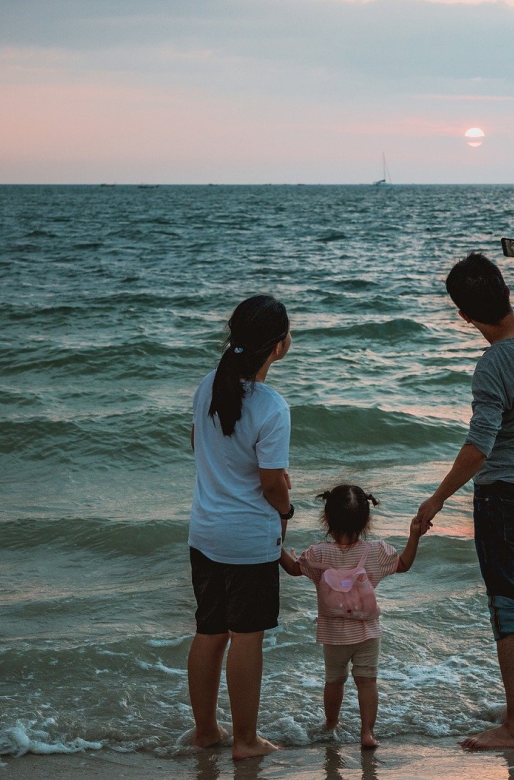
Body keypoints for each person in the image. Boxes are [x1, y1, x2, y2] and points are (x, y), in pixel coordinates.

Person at [414, 232, 514, 751]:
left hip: (502, 495)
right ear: (505, 288)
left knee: (510, 608)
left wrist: (435, 500)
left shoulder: (492, 366)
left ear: (463, 315)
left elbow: (480, 446)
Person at [187, 294, 294, 761]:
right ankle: (246, 741)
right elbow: (272, 485)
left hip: (205, 532)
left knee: (210, 632)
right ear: (278, 346)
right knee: (246, 637)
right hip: (248, 539)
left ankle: (207, 731)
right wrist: (287, 512)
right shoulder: (271, 406)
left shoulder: (207, 385)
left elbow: (197, 444)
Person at [279, 485, 423, 749]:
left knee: (334, 680)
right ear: (366, 520)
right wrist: (414, 535)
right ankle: (367, 733)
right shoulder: (376, 552)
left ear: (327, 518)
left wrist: (278, 547)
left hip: (334, 635)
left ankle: (331, 724)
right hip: (367, 633)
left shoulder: (319, 553)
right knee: (367, 681)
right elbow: (404, 564)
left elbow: (292, 569)